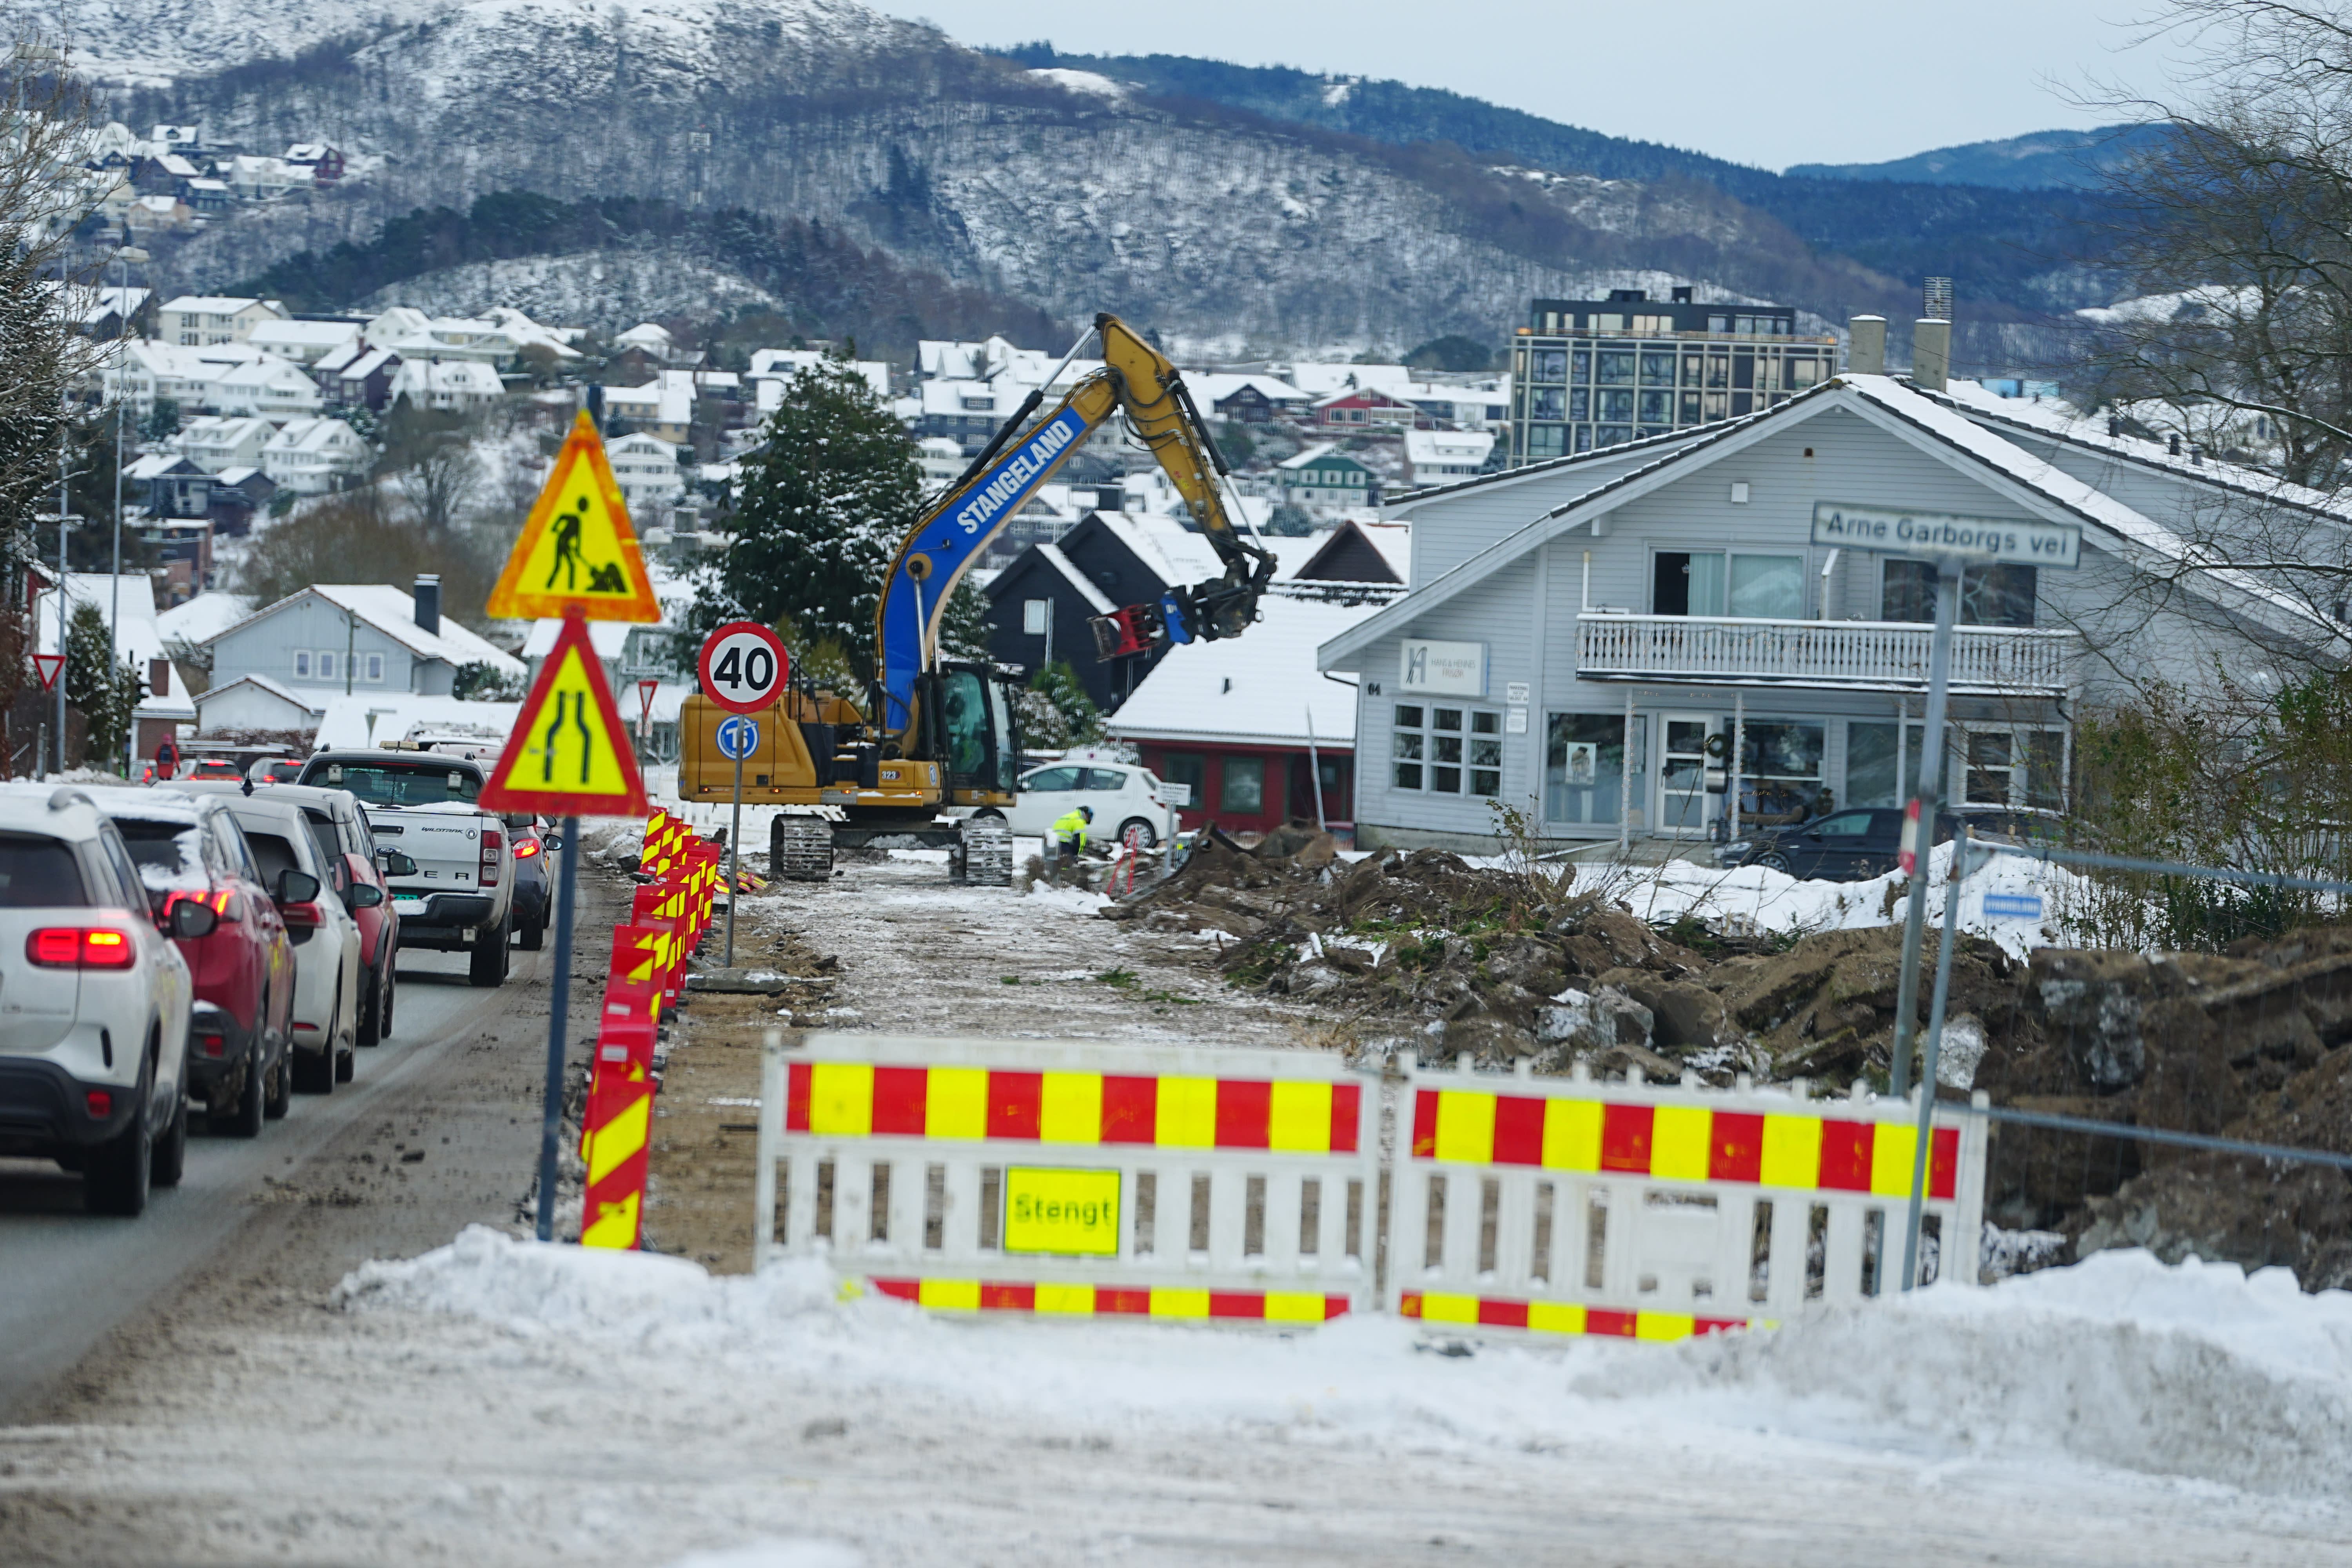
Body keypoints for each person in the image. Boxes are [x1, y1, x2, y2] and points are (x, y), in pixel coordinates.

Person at [1052, 804, 1093, 882]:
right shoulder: (1079, 821)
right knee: (1067, 864)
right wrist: (1077, 854)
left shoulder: (1069, 816)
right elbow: (1080, 841)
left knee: (1056, 863)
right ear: (1087, 815)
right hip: (1064, 843)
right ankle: (1065, 881)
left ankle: (1056, 879)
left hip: (1053, 842)